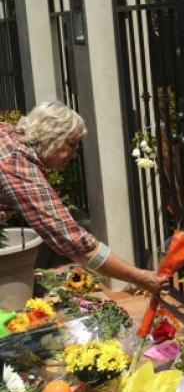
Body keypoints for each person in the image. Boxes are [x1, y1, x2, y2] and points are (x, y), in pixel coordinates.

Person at [0, 101, 168, 296]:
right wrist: (141, 277)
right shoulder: (18, 165)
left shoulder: (8, 133)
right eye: (71, 144)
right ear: (50, 137)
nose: (74, 154)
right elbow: (75, 243)